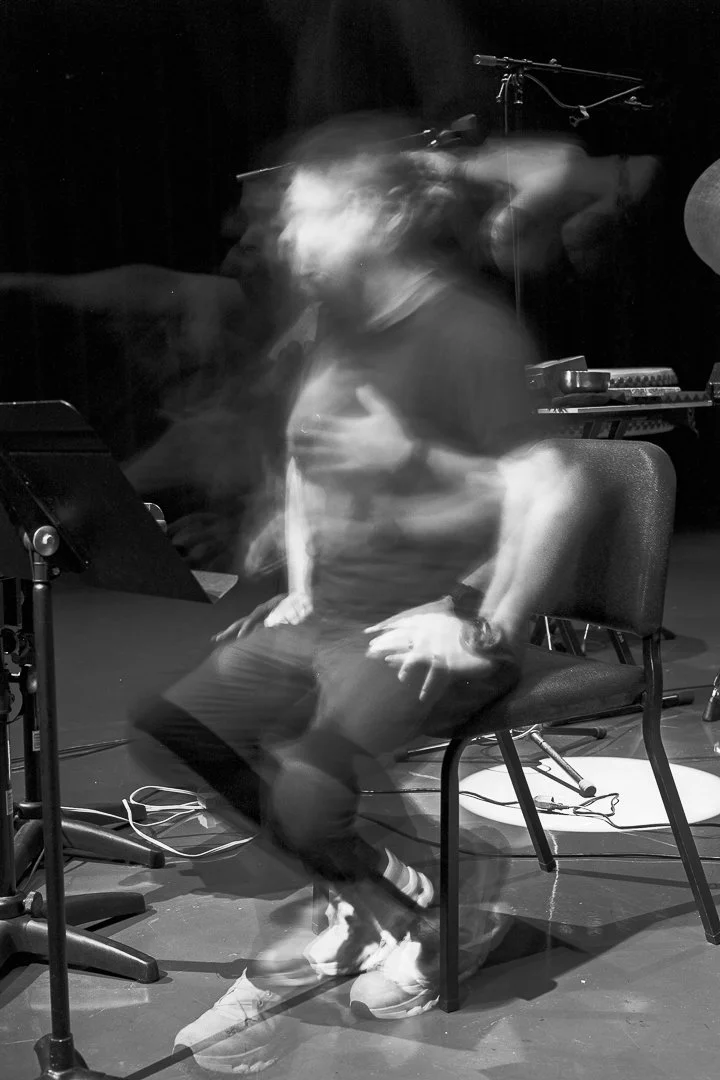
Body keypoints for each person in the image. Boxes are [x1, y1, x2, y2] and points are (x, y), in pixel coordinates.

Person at [127, 113, 585, 1068]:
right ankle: (393, 894)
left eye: (308, 217)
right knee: (170, 728)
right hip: (330, 615)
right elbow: (308, 453)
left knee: (304, 801)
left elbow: (553, 485)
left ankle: (429, 913)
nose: (284, 238)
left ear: (376, 219)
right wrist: (298, 579)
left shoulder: (465, 331)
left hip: (427, 624)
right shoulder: (341, 323)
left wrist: (484, 623)